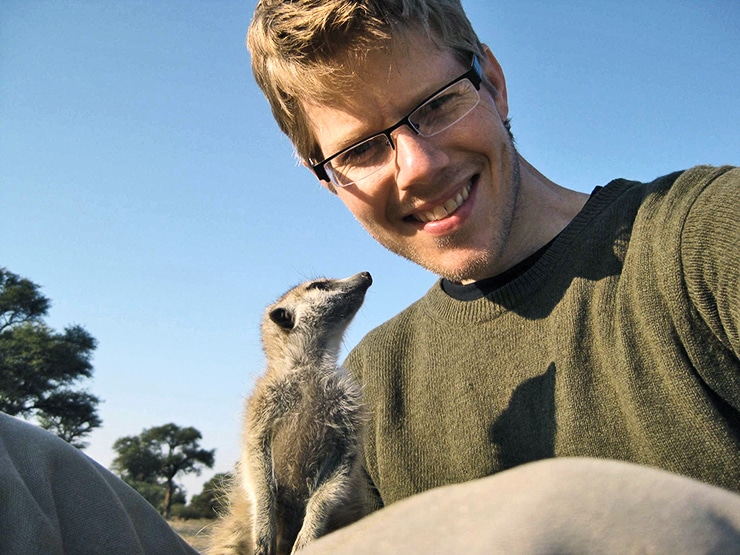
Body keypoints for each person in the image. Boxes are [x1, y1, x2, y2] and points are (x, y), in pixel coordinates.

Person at [244, 0, 740, 551]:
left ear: (495, 85)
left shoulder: (706, 236)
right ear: (329, 181)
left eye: (436, 106)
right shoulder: (375, 383)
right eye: (361, 150)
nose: (419, 167)